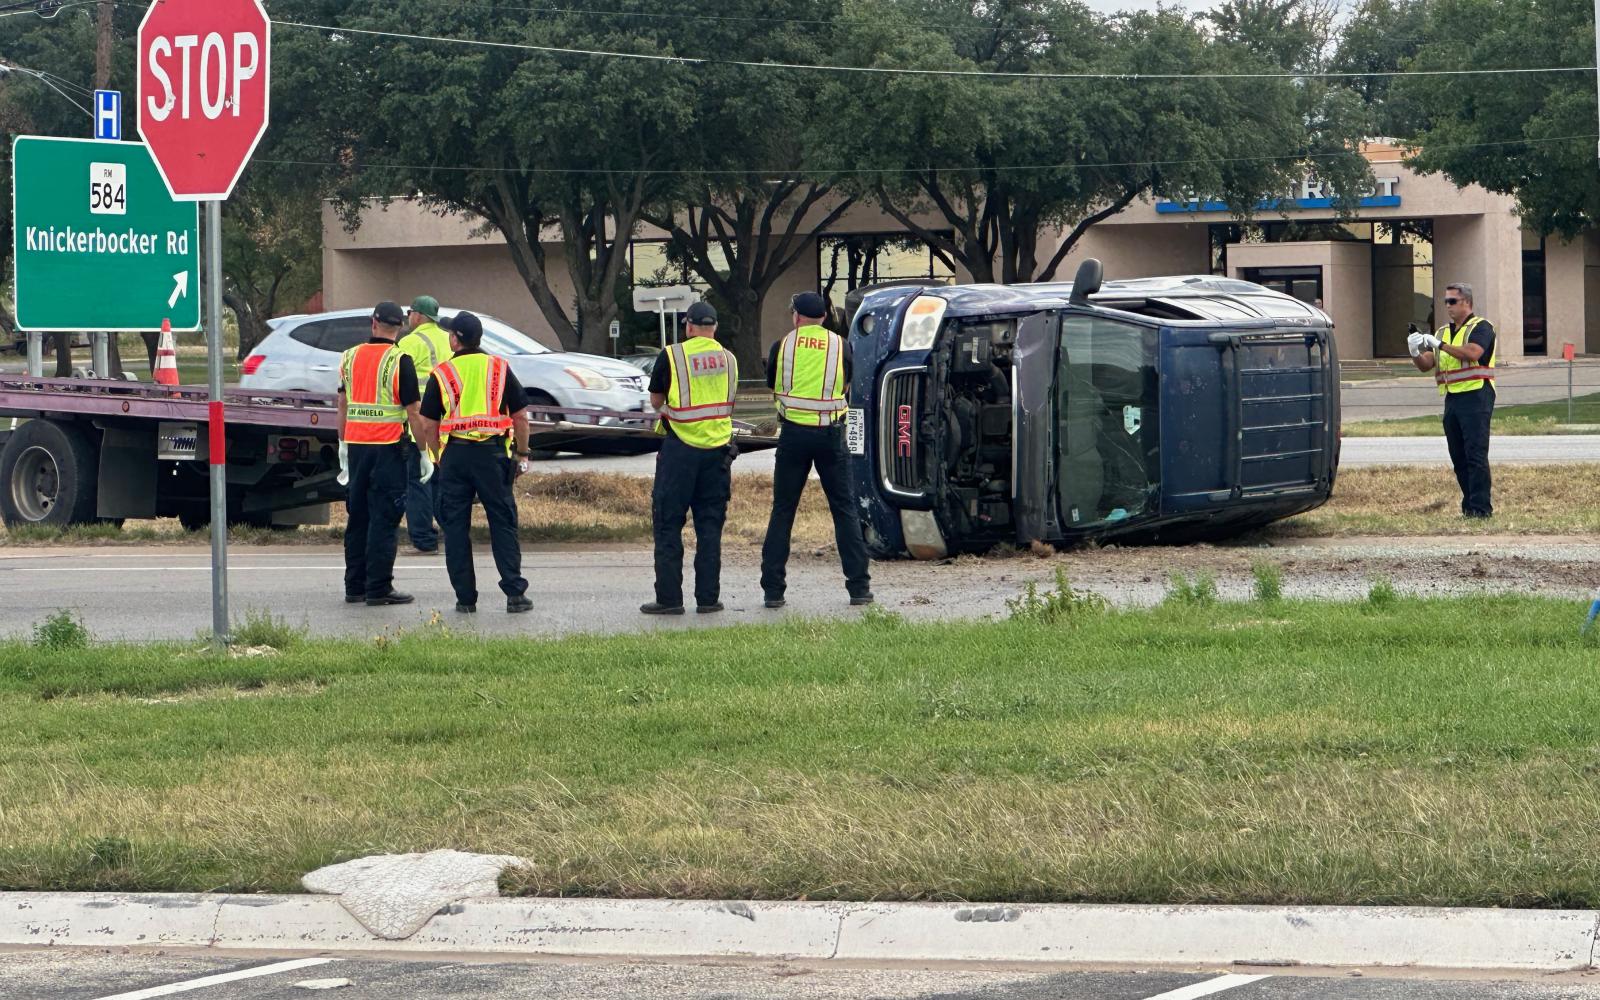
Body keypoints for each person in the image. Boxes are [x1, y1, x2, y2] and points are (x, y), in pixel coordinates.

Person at [760, 291, 873, 608]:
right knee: (844, 510)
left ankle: (773, 591)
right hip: (831, 434)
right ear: (825, 317)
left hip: (793, 435)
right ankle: (859, 588)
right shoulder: (842, 345)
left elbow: (773, 384)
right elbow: (846, 385)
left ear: (796, 316)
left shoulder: (782, 345)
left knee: (783, 510)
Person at [418, 311, 534, 613]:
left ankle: (465, 599)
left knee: (455, 528)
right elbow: (521, 417)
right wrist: (522, 454)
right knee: (503, 522)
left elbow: (428, 424)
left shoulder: (442, 373)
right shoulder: (499, 368)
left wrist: (438, 457)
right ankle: (515, 594)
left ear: (455, 339)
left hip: (455, 457)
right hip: (492, 456)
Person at [641, 300, 738, 615]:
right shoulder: (730, 359)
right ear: (715, 327)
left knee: (668, 523)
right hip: (718, 452)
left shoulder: (672, 355)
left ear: (689, 326)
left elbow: (656, 400)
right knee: (710, 526)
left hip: (680, 450)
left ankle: (669, 599)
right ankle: (708, 599)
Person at [337, 301, 430, 606]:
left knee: (358, 517)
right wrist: (424, 452)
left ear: (373, 322)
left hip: (356, 449)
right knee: (385, 518)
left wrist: (342, 444)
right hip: (388, 450)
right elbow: (413, 412)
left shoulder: (349, 357)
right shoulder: (399, 360)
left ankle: (355, 586)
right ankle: (378, 588)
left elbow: (342, 404)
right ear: (400, 328)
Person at [1408, 281, 1497, 517]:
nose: (1447, 305)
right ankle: (1469, 508)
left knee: (1475, 455)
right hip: (1452, 398)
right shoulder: (1441, 332)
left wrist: (1441, 345)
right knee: (1458, 456)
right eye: (1445, 301)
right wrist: (1414, 352)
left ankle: (1481, 509)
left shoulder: (1482, 327)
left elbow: (1473, 353)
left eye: (1452, 301)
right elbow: (1426, 365)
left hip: (1477, 395)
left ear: (1466, 301)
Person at [396, 295, 453, 554]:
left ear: (417, 315)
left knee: (419, 482)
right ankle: (453, 531)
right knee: (440, 482)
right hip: (448, 425)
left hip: (418, 425)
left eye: (410, 313)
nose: (409, 318)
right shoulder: (449, 340)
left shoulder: (410, 342)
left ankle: (423, 539)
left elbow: (396, 380)